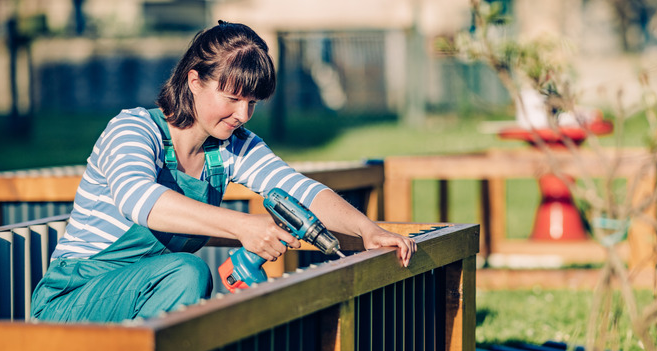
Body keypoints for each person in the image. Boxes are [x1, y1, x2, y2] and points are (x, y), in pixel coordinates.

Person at [31, 21, 416, 323]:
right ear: (194, 81)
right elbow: (138, 199)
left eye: (252, 103)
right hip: (72, 302)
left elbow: (297, 188)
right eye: (232, 98)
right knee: (186, 272)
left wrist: (368, 229)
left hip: (148, 294)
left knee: (184, 275)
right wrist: (243, 226)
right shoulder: (133, 129)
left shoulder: (232, 146)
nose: (242, 115)